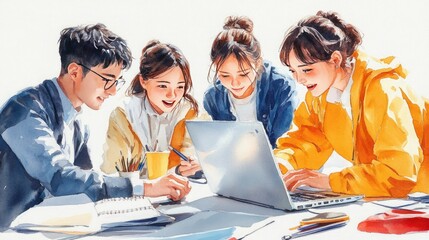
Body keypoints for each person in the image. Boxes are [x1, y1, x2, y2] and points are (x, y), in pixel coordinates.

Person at [0, 24, 190, 229]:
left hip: (52, 228)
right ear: (74, 71)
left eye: (117, 82)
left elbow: (87, 186)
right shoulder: (23, 110)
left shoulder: (78, 123)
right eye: (108, 80)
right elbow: (60, 178)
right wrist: (145, 187)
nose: (112, 91)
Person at [275, 11, 429, 198]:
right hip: (389, 197)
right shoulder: (319, 94)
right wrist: (277, 168)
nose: (299, 79)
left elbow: (399, 172)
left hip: (419, 195)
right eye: (293, 71)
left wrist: (330, 181)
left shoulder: (382, 89)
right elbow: (304, 141)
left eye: (307, 70)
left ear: (336, 59)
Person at [100, 40, 201, 178]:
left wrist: (190, 166)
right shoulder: (125, 113)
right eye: (163, 86)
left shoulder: (188, 111)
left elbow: (195, 160)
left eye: (180, 87)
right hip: (137, 194)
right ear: (143, 81)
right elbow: (112, 172)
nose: (172, 95)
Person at [203, 16, 298, 148]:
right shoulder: (213, 97)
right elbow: (219, 147)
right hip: (234, 166)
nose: (235, 83)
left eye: (243, 74)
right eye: (225, 75)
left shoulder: (281, 86)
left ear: (258, 63)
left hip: (278, 163)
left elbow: (284, 145)